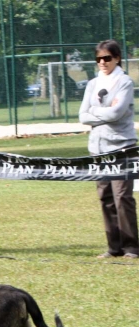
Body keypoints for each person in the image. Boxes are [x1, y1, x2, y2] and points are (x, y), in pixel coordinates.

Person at [79, 40, 139, 259]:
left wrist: (95, 112)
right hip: (98, 148)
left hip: (122, 146)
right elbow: (82, 116)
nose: (102, 62)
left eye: (107, 58)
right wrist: (102, 110)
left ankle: (131, 247)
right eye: (98, 59)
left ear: (117, 58)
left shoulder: (124, 82)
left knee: (122, 196)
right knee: (105, 196)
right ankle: (113, 247)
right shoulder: (92, 84)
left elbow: (117, 114)